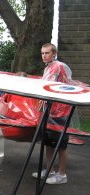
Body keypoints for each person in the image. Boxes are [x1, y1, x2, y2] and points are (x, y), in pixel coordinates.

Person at [32, 43, 74, 184]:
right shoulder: (48, 68)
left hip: (61, 111)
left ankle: (62, 175)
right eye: (43, 53)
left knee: (61, 145)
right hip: (49, 111)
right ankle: (50, 170)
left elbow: (66, 85)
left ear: (54, 53)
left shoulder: (59, 66)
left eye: (47, 53)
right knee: (48, 143)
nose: (44, 55)